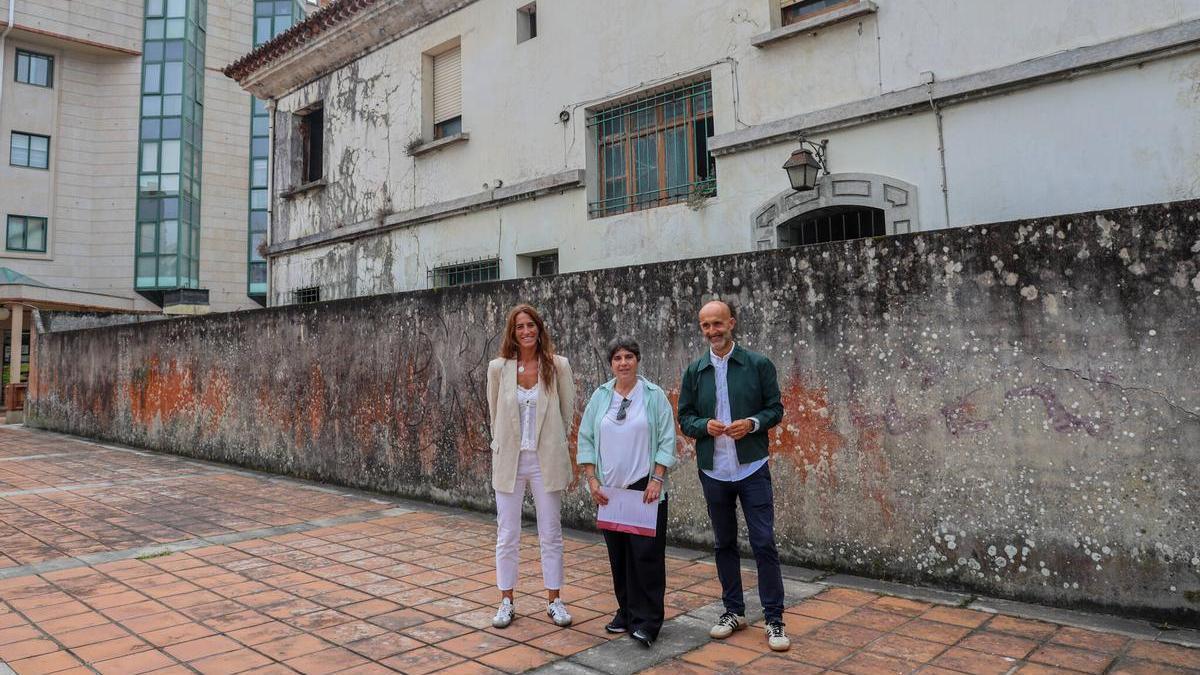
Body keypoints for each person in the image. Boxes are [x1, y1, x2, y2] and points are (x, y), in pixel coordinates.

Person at [676, 300, 789, 652]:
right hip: (714, 471)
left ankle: (774, 620)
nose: (712, 331)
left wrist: (753, 423)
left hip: (752, 468)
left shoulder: (757, 364)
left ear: (732, 324)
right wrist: (703, 426)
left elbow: (775, 408)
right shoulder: (695, 371)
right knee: (724, 543)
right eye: (705, 326)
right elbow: (685, 416)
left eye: (718, 324)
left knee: (763, 543)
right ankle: (734, 612)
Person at [577, 337, 677, 648]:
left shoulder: (653, 395)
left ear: (637, 360)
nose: (623, 362)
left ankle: (647, 621)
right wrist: (592, 481)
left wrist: (657, 478)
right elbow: (586, 438)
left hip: (645, 490)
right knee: (618, 556)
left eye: (629, 356)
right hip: (610, 492)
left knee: (646, 558)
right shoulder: (601, 395)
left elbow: (666, 438)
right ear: (611, 363)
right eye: (618, 357)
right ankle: (626, 611)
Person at [486, 304, 576, 629]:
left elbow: (567, 413)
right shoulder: (498, 368)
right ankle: (506, 601)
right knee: (506, 533)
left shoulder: (557, 366)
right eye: (519, 326)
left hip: (545, 461)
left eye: (531, 325)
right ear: (513, 332)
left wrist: (551, 444)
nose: (526, 331)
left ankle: (554, 601)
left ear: (539, 329)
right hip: (509, 459)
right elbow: (495, 413)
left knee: (550, 533)